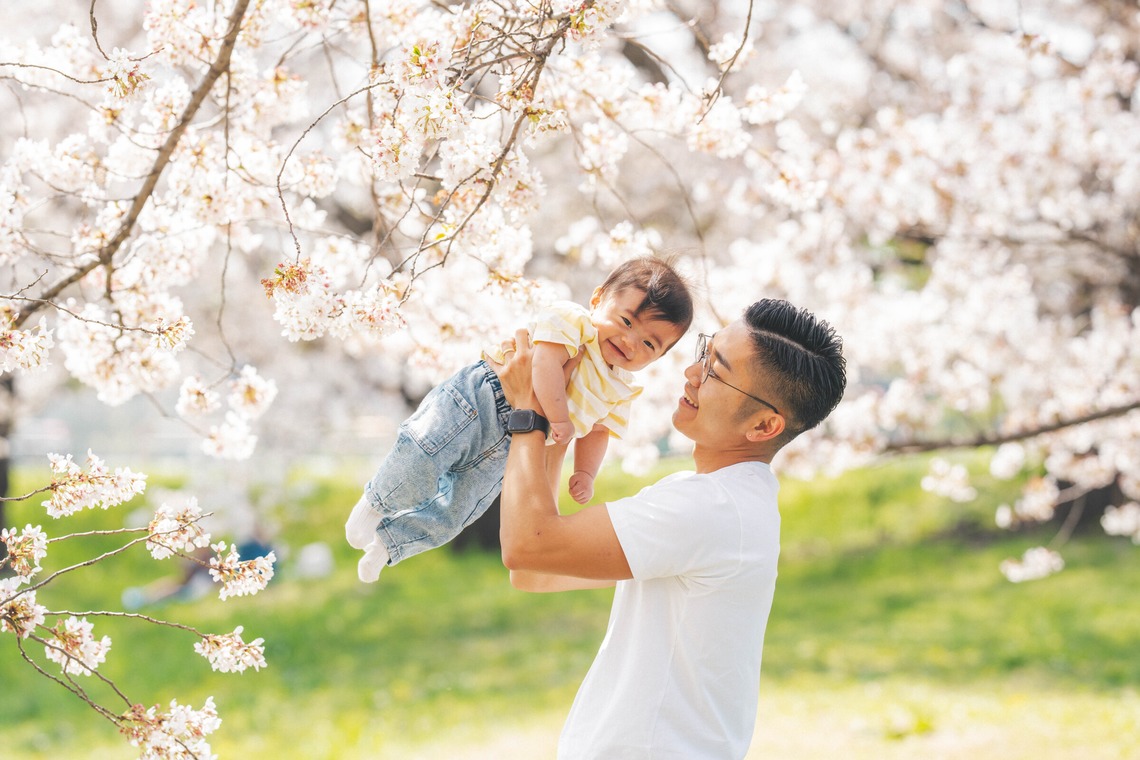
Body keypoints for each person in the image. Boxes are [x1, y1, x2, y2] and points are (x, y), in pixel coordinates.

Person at [493, 298, 846, 759]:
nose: (692, 375)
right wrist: (561, 415)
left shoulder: (710, 509)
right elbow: (535, 571)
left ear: (764, 425)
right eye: (705, 353)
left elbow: (527, 548)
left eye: (717, 371)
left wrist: (530, 414)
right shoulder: (721, 499)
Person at [345, 257, 694, 582]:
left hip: (515, 443)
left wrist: (585, 473)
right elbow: (541, 367)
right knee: (425, 453)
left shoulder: (621, 388)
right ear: (598, 299)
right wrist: (559, 419)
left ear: (661, 356)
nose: (630, 342)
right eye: (626, 321)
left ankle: (389, 545)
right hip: (483, 399)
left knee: (459, 510)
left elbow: (599, 432)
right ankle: (376, 502)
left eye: (649, 344)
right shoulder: (574, 323)